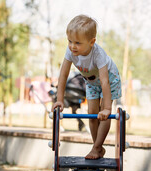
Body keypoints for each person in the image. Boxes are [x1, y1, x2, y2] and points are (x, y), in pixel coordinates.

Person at [52, 14, 121, 159]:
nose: (72, 46)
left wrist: (107, 108)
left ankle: (96, 147)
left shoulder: (98, 54)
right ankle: (98, 148)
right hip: (91, 83)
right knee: (91, 114)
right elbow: (63, 75)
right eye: (69, 41)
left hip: (109, 80)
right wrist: (59, 99)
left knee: (103, 115)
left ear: (92, 42)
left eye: (77, 42)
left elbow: (104, 82)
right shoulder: (70, 51)